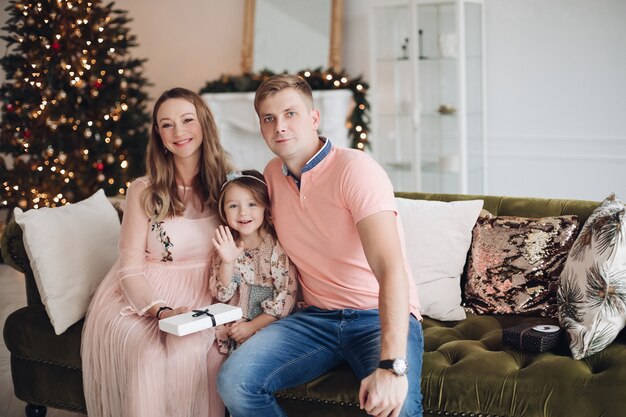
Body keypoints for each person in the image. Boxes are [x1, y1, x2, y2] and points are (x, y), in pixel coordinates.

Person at [217, 74, 424, 417]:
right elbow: (246, 224)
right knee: (234, 381)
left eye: (290, 114)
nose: (280, 126)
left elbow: (390, 268)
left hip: (374, 316)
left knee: (397, 408)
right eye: (269, 118)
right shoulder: (270, 175)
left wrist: (391, 366)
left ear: (314, 118)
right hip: (313, 318)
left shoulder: (355, 170)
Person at [81, 87, 233, 417]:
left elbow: (245, 255)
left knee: (194, 351)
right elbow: (130, 268)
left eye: (187, 120)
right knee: (148, 355)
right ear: (158, 135)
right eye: (167, 124)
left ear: (204, 124)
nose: (179, 132)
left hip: (205, 294)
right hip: (144, 297)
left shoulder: (228, 184)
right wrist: (161, 311)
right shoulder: (143, 190)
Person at [209, 169, 298, 354]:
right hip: (232, 329)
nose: (243, 213)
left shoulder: (276, 247)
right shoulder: (226, 246)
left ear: (265, 206)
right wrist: (227, 261)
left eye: (252, 204)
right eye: (233, 206)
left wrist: (251, 327)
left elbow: (285, 298)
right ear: (223, 211)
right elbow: (222, 295)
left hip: (267, 327)